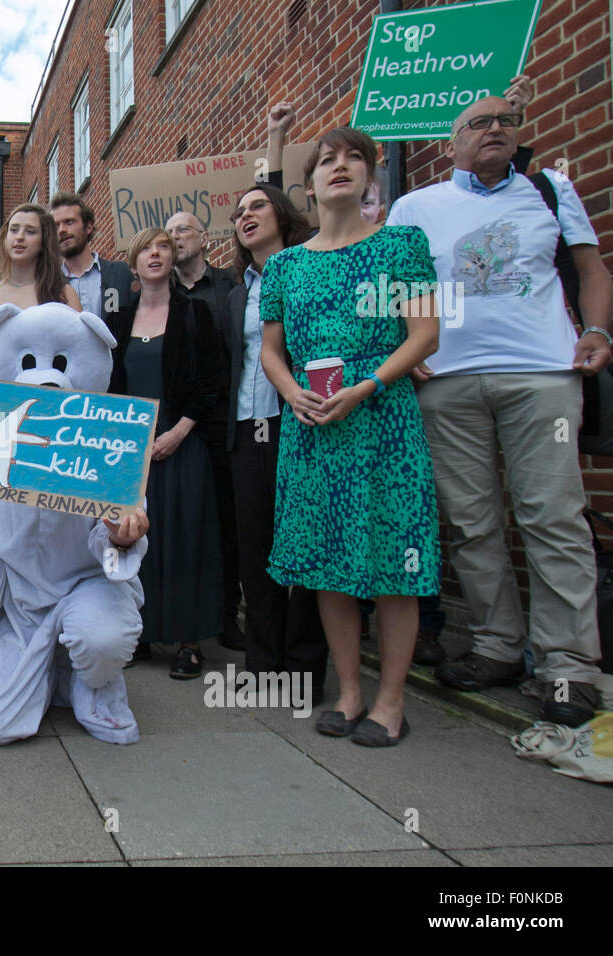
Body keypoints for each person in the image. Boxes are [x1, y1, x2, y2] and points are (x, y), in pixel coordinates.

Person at [387, 94, 612, 727]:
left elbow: (593, 271)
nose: (494, 130)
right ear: (452, 141)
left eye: (504, 121)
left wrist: (598, 330)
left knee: (554, 516)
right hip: (447, 381)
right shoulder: (415, 206)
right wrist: (407, 348)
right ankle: (496, 647)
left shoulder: (550, 190)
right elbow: (395, 289)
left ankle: (569, 667)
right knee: (472, 520)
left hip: (542, 373)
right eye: (478, 123)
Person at [259, 127, 441, 747]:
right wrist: (290, 393)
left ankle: (391, 702)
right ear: (307, 185)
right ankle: (350, 691)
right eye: (326, 161)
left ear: (370, 176)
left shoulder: (401, 244)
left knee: (395, 563)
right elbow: (270, 350)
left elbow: (424, 336)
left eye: (353, 158)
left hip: (383, 422)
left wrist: (367, 386)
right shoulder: (284, 265)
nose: (340, 167)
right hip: (311, 425)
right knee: (328, 565)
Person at [225, 183, 329, 705]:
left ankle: (305, 671)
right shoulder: (236, 291)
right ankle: (264, 669)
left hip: (305, 424)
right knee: (256, 552)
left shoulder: (313, 268)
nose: (245, 216)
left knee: (306, 547)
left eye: (257, 206)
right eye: (238, 212)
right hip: (247, 428)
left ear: (283, 214)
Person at [109, 228, 224, 678]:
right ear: (133, 264)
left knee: (185, 538)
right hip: (131, 449)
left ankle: (190, 642)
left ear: (173, 259)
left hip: (181, 441)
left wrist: (179, 431)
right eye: (145, 250)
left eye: (163, 248)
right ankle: (142, 632)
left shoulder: (195, 313)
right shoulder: (119, 320)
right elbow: (111, 386)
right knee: (138, 539)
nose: (154, 255)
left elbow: (211, 381)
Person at [166, 209, 243, 649]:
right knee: (185, 519)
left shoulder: (229, 288)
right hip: (179, 423)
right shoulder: (160, 294)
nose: (176, 237)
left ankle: (227, 613)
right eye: (170, 231)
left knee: (226, 518)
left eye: (183, 230)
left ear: (204, 238)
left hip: (222, 419)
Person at [50, 192, 135, 324]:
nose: (61, 230)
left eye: (69, 222)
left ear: (88, 227)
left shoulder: (121, 273)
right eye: (55, 226)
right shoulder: (49, 285)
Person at [0, 204, 82, 311]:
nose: (20, 237)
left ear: (44, 241)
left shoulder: (63, 294)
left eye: (30, 231)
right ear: (5, 237)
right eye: (14, 230)